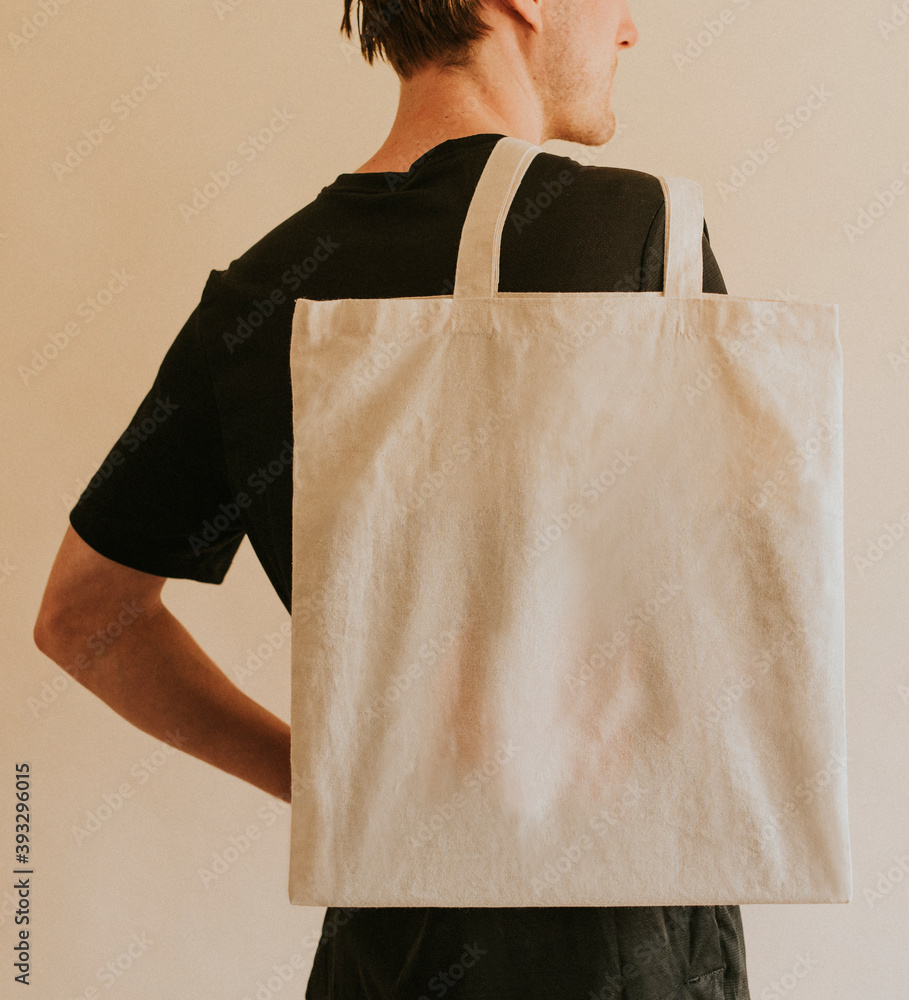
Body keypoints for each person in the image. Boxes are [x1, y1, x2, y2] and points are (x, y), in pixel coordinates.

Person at [33, 0, 752, 996]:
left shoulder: (257, 296)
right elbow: (731, 597)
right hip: (619, 932)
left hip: (392, 933)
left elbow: (82, 617)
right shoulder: (636, 230)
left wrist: (322, 778)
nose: (630, 29)